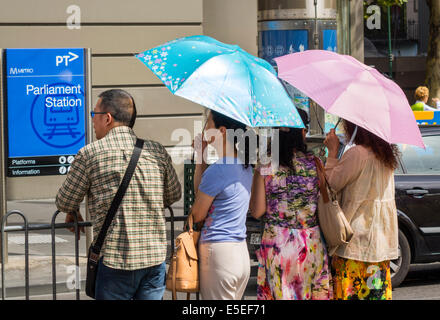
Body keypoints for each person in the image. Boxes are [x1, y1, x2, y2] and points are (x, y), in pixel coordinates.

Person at [55, 89, 182, 300]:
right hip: (154, 259)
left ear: (107, 118)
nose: (92, 120)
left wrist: (73, 210)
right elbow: (173, 194)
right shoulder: (156, 151)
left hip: (116, 261)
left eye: (93, 114)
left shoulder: (90, 154)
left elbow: (65, 200)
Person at [249, 108, 332, 300]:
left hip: (278, 243)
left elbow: (257, 210)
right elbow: (325, 201)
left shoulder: (266, 164)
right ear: (301, 132)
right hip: (311, 242)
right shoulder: (315, 163)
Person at [323, 121, 399, 300]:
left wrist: (332, 153)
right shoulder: (385, 156)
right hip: (379, 246)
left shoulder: (357, 154)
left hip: (355, 244)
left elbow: (329, 185)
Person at [190, 110, 253, 300]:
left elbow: (198, 214)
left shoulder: (218, 169)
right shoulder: (245, 165)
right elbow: (203, 189)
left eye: (208, 123)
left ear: (222, 131)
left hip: (218, 253)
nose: (204, 129)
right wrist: (201, 159)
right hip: (240, 253)